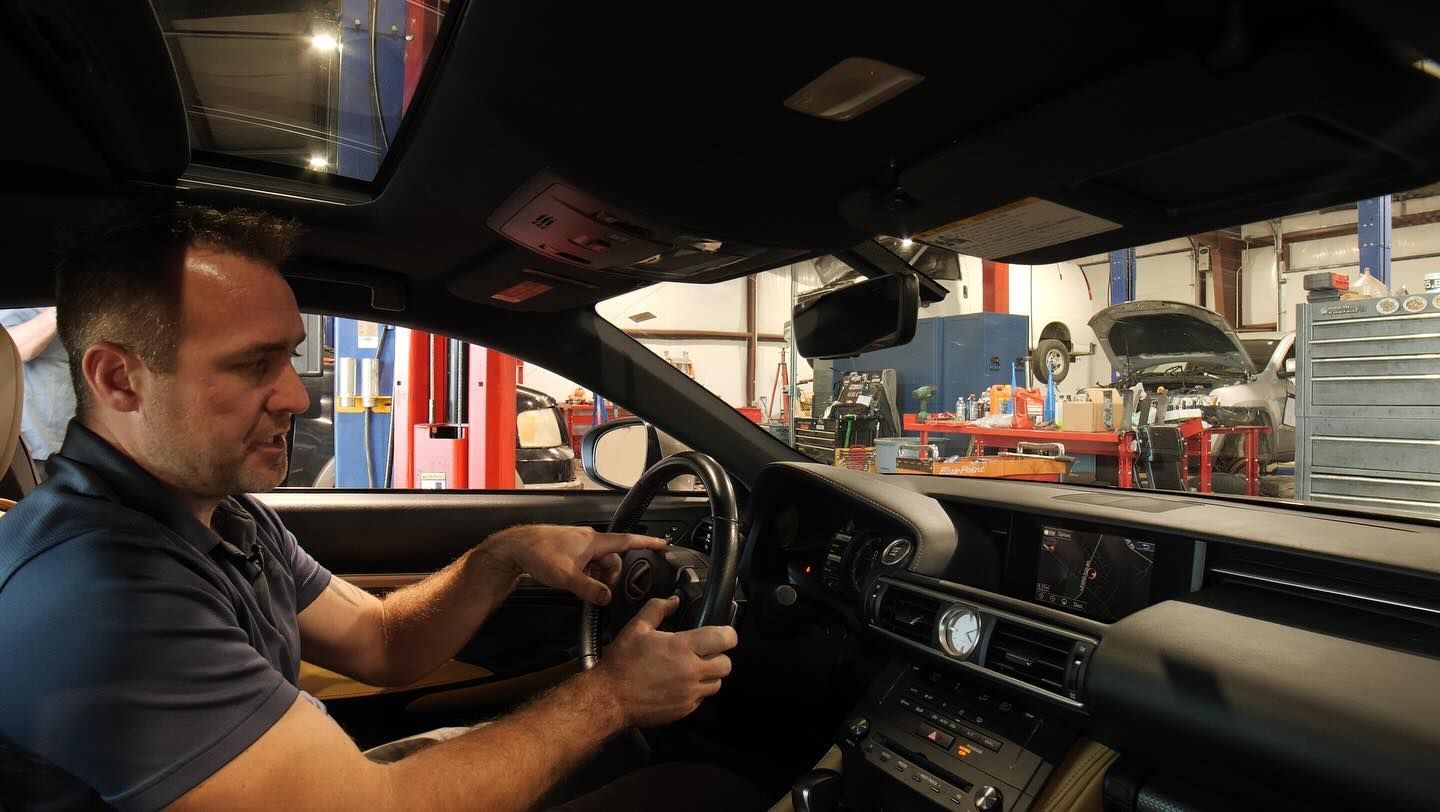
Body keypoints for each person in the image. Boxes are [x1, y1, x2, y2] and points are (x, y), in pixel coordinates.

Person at [0, 206, 765, 811]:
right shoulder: (94, 592)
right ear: (119, 380)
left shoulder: (217, 510)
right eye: (252, 365)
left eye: (290, 355)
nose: (297, 396)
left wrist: (506, 554)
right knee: (705, 790)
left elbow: (380, 641)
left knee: (629, 756)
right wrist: (613, 695)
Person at [0, 306, 76, 473]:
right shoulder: (15, 297)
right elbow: (11, 348)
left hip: (77, 439)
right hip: (34, 446)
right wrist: (58, 309)